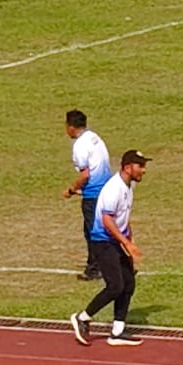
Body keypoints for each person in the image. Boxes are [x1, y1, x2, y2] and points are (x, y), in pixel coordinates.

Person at [69, 149, 150, 347]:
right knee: (115, 286)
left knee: (128, 283)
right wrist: (126, 242)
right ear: (127, 167)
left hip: (116, 241)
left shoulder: (128, 186)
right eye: (140, 166)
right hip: (103, 241)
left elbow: (123, 217)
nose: (144, 170)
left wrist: (129, 242)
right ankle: (83, 317)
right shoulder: (114, 188)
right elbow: (107, 220)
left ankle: (117, 331)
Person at [63, 109, 112, 281]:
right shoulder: (94, 137)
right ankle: (118, 263)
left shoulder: (80, 146)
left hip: (94, 194)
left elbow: (85, 175)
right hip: (107, 189)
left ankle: (96, 268)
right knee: (107, 228)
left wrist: (70, 190)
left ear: (70, 127)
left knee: (93, 231)